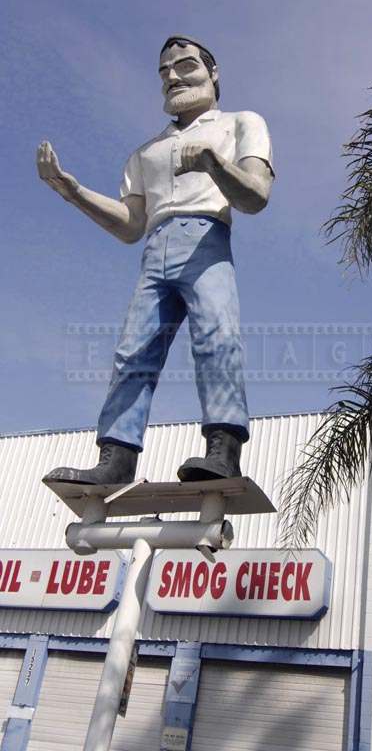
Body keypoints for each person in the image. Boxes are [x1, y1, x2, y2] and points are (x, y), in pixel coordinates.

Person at [37, 35, 274, 486]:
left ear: (213, 71)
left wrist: (212, 164)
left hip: (207, 236)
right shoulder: (146, 152)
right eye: (164, 71)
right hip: (156, 247)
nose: (172, 76)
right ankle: (117, 456)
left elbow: (256, 196)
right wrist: (72, 191)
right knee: (133, 353)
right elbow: (130, 224)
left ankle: (223, 448)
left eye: (184, 65)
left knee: (217, 337)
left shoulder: (242, 123)